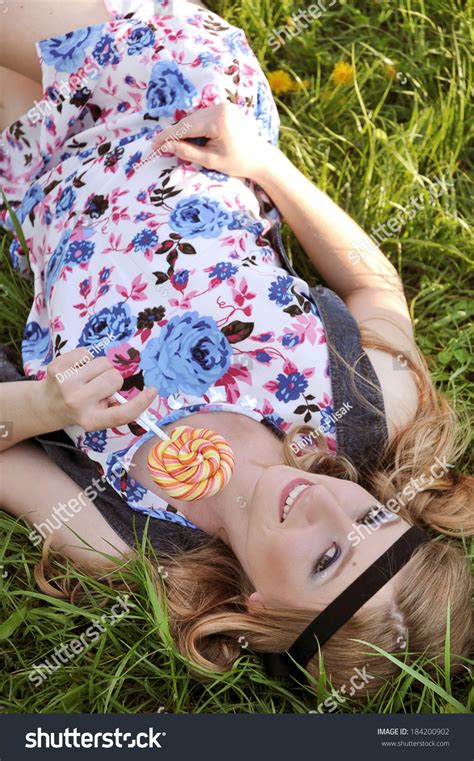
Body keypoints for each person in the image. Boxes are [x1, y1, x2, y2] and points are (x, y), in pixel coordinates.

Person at [0, 0, 471, 695]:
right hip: (171, 94)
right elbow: (376, 292)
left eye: (327, 557)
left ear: (263, 614)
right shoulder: (364, 406)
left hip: (44, 183)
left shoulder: (129, 534)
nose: (326, 503)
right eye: (369, 515)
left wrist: (44, 405)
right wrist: (267, 165)